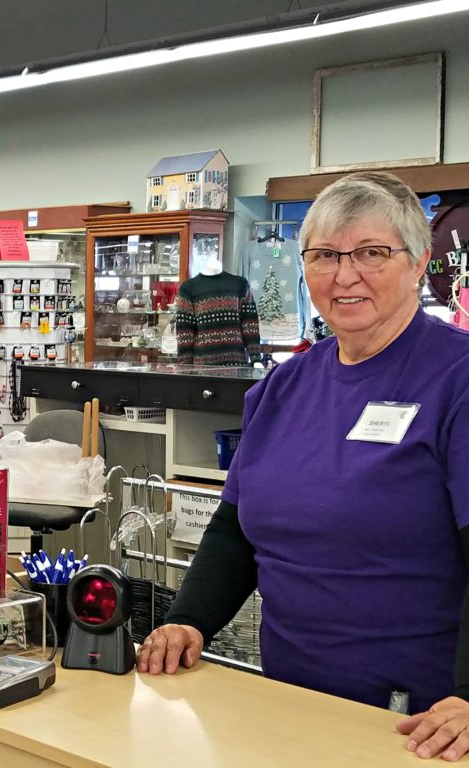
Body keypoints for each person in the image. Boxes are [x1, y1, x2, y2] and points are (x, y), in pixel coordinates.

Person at [136, 171, 469, 762]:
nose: (345, 275)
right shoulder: (281, 388)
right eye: (324, 256)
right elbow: (235, 529)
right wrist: (190, 622)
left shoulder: (457, 380)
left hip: (415, 723)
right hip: (287, 703)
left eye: (371, 253)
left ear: (418, 264)